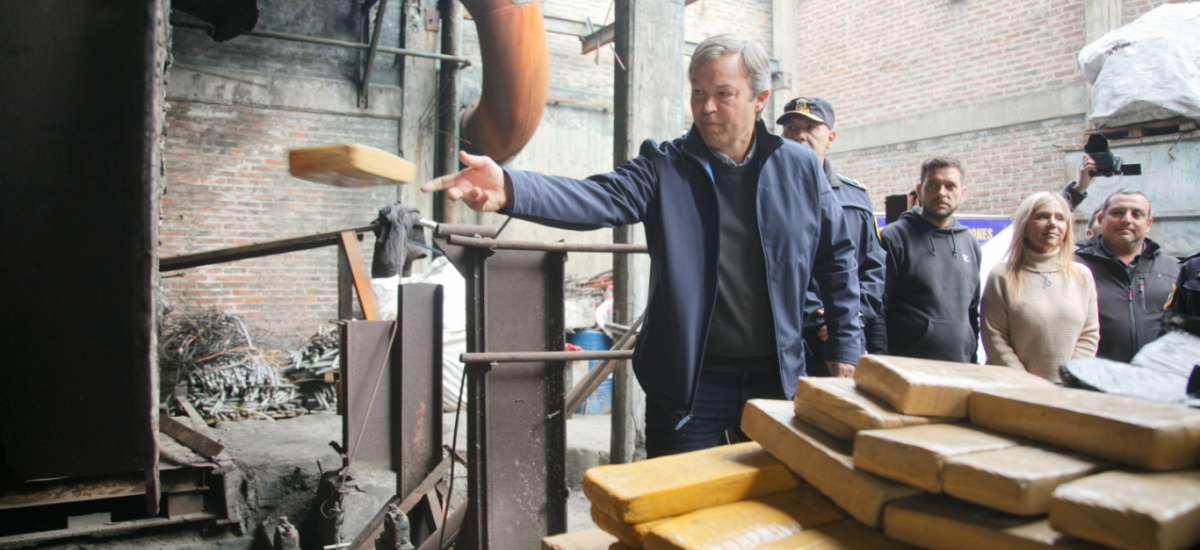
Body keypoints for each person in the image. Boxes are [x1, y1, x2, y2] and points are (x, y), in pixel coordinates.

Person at [421, 34, 861, 458]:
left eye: (723, 94)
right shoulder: (665, 165)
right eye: (697, 92)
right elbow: (599, 198)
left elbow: (837, 258)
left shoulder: (799, 167)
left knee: (774, 512)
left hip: (778, 377)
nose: (705, 107)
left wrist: (845, 348)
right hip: (690, 384)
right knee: (675, 514)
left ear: (759, 99)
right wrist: (511, 188)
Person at [777, 97, 885, 374]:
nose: (799, 135)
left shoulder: (856, 198)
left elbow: (874, 267)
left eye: (810, 128)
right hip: (788, 339)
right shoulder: (767, 195)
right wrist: (816, 315)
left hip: (845, 341)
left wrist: (849, 318)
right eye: (790, 127)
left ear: (830, 138)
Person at [870, 156, 981, 363]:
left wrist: (973, 363)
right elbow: (878, 309)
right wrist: (881, 364)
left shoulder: (970, 244)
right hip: (907, 369)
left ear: (962, 193)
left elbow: (972, 313)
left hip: (961, 369)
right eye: (933, 185)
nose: (941, 193)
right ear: (920, 190)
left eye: (950, 186)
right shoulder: (894, 239)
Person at [982, 192, 1099, 382]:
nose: (1052, 223)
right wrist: (1028, 385)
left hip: (1068, 391)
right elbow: (995, 339)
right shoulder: (1003, 275)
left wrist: (1070, 379)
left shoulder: (1082, 276)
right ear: (1025, 226)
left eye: (1060, 218)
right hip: (1014, 389)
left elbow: (1089, 334)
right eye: (1042, 216)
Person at [1075, 189, 1179, 362]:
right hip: (1091, 379)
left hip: (1156, 381)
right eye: (1117, 213)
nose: (1127, 219)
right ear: (1101, 219)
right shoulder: (1073, 266)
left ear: (1148, 224)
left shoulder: (1173, 270)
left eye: (1137, 214)